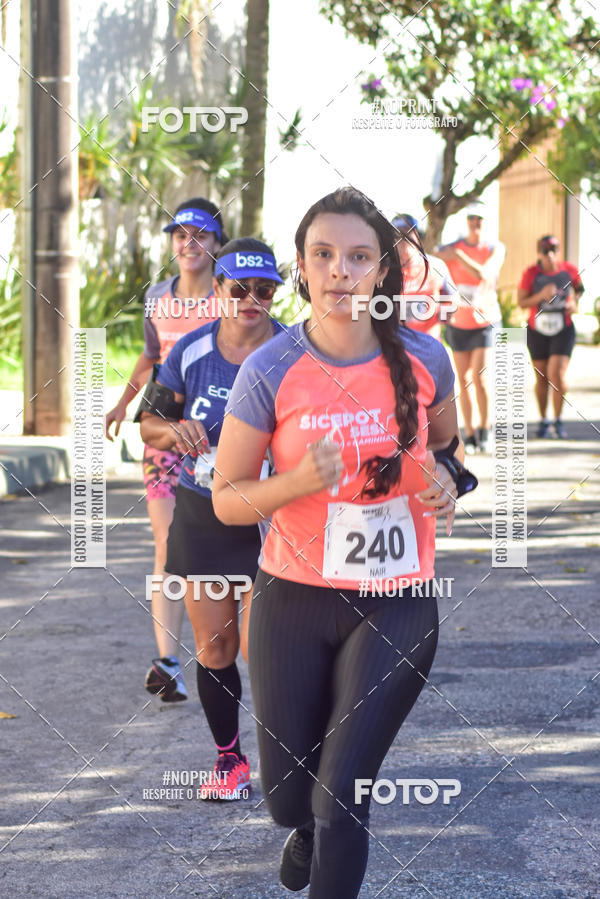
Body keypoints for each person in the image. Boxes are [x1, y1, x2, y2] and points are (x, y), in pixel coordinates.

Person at [212, 188, 477, 896]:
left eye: (359, 257)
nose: (340, 271)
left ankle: (325, 828)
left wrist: (449, 480)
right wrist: (295, 480)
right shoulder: (270, 370)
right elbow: (227, 497)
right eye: (323, 255)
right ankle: (303, 827)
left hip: (398, 602)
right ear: (301, 267)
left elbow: (452, 452)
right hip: (291, 600)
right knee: (291, 801)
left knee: (341, 799)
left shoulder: (428, 360)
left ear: (383, 270)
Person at [139, 237, 285, 800]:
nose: (252, 299)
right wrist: (174, 431)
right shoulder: (192, 351)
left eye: (265, 290)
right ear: (219, 291)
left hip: (270, 516)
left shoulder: (297, 350)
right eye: (239, 289)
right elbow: (150, 423)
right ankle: (230, 762)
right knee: (216, 649)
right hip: (202, 513)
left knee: (263, 650)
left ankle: (292, 759)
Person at [105, 198, 226, 702]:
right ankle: (167, 661)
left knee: (229, 549)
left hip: (223, 440)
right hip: (166, 436)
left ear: (217, 244)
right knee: (168, 545)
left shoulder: (232, 296)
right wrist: (121, 404)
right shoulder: (157, 296)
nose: (189, 243)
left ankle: (236, 651)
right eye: (180, 235)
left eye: (200, 235)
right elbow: (151, 357)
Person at [437, 203, 506, 453]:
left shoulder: (494, 248)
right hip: (459, 322)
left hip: (485, 321)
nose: (475, 223)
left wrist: (457, 256)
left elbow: (484, 274)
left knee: (480, 378)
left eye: (480, 220)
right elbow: (433, 257)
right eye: (472, 219)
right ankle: (470, 433)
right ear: (466, 221)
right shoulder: (454, 247)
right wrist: (450, 253)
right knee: (463, 381)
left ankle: (485, 431)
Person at [517, 234, 584, 439]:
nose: (550, 254)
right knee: (542, 377)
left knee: (558, 374)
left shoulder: (569, 270)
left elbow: (579, 290)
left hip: (563, 328)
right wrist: (541, 295)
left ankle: (558, 419)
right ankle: (544, 419)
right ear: (539, 253)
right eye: (546, 250)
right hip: (537, 330)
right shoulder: (531, 273)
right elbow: (521, 302)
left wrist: (574, 303)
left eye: (554, 249)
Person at [392, 213, 459, 340]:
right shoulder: (384, 270)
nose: (402, 239)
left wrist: (447, 312)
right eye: (397, 235)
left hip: (429, 343)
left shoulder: (436, 266)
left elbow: (454, 296)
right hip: (396, 345)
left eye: (408, 234)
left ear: (419, 237)